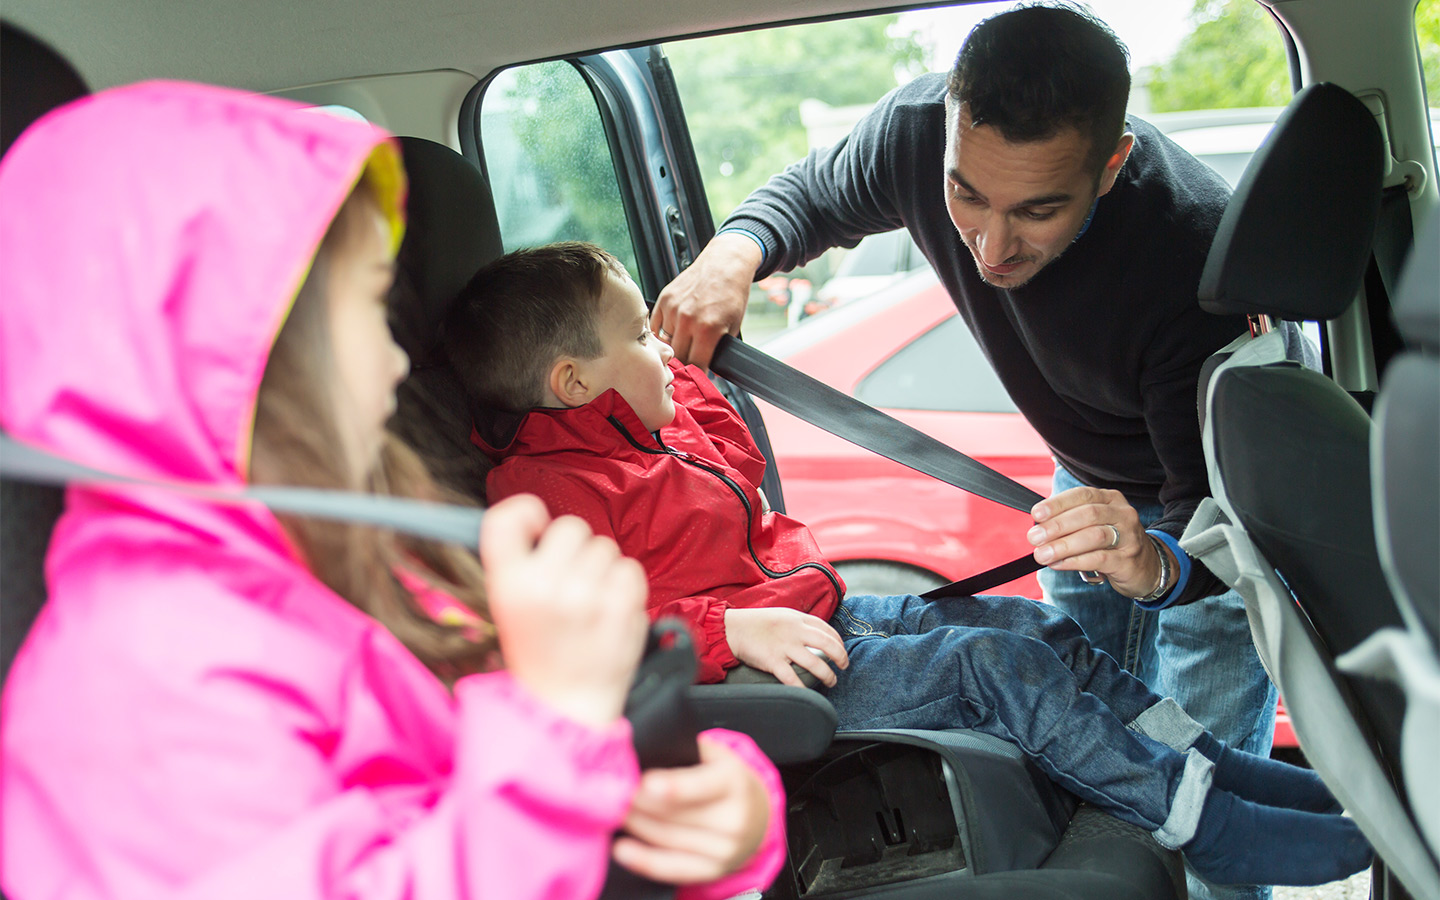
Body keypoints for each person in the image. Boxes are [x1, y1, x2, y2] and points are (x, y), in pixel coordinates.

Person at [0, 81, 786, 900]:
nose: (398, 360)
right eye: (374, 309)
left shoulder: (366, 566)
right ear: (246, 353)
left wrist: (724, 812)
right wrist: (557, 735)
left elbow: (534, 778)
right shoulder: (140, 693)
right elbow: (527, 778)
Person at [442, 240, 1372, 890]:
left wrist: (678, 369)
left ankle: (1216, 767)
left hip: (822, 614)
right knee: (990, 666)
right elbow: (573, 641)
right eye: (638, 336)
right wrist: (731, 630)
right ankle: (1206, 827)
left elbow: (737, 463)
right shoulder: (547, 496)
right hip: (766, 678)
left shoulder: (644, 426)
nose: (659, 346)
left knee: (1040, 628)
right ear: (574, 383)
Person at [649, 7, 1293, 897]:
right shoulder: (917, 134)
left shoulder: (1193, 257)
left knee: (1205, 823)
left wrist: (1161, 566)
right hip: (1081, 487)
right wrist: (734, 251)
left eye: (1037, 211)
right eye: (966, 196)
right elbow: (807, 197)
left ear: (1111, 166)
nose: (990, 246)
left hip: (1203, 514)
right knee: (1079, 756)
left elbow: (1212, 514)